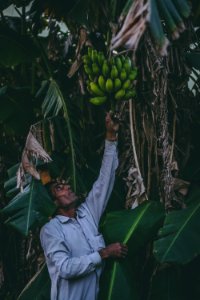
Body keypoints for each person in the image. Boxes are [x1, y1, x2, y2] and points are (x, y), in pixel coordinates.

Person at [40, 112, 128, 300]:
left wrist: (111, 137)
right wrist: (103, 253)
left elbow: (105, 180)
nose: (68, 187)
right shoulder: (51, 230)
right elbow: (65, 268)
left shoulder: (86, 213)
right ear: (53, 203)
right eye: (59, 188)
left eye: (66, 184)